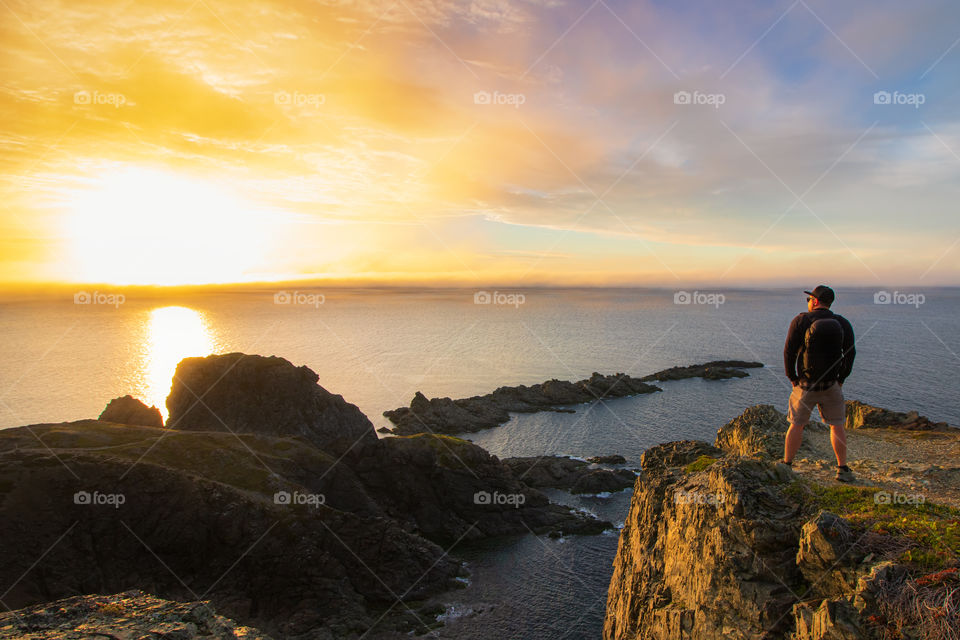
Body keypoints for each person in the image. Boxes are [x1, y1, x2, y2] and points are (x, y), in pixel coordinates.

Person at [782, 285, 856, 482]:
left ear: (815, 301)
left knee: (796, 425)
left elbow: (789, 352)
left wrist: (793, 378)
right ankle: (842, 469)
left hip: (805, 385)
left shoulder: (801, 321)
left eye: (809, 299)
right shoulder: (842, 322)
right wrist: (841, 379)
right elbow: (850, 353)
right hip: (832, 385)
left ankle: (787, 465)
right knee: (837, 426)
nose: (807, 302)